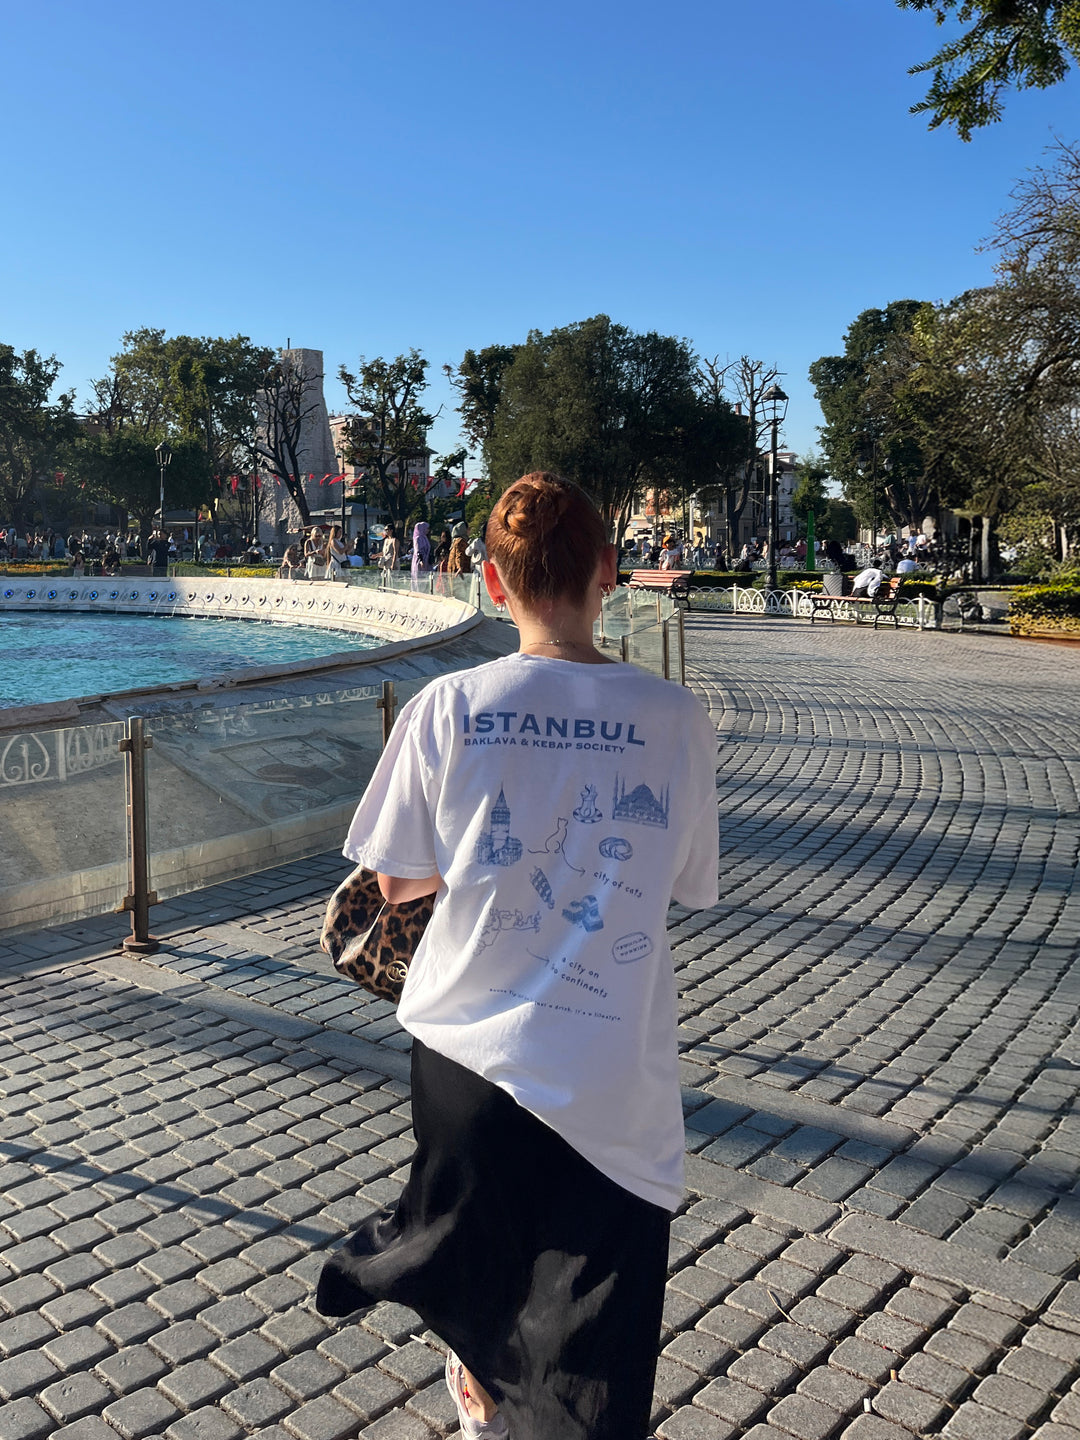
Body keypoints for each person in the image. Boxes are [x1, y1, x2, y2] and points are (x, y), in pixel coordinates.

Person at [315, 472, 719, 1440]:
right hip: (608, 1068)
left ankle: (467, 1369)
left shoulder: (448, 709)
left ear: (493, 587)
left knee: (482, 1258)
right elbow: (682, 881)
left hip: (466, 1064)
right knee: (592, 1353)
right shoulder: (677, 720)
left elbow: (399, 882)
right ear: (609, 575)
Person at [410, 520, 431, 586]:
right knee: (419, 578)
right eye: (427, 528)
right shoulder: (418, 538)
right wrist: (421, 560)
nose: (428, 530)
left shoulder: (425, 538)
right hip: (420, 561)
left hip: (426, 560)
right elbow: (417, 550)